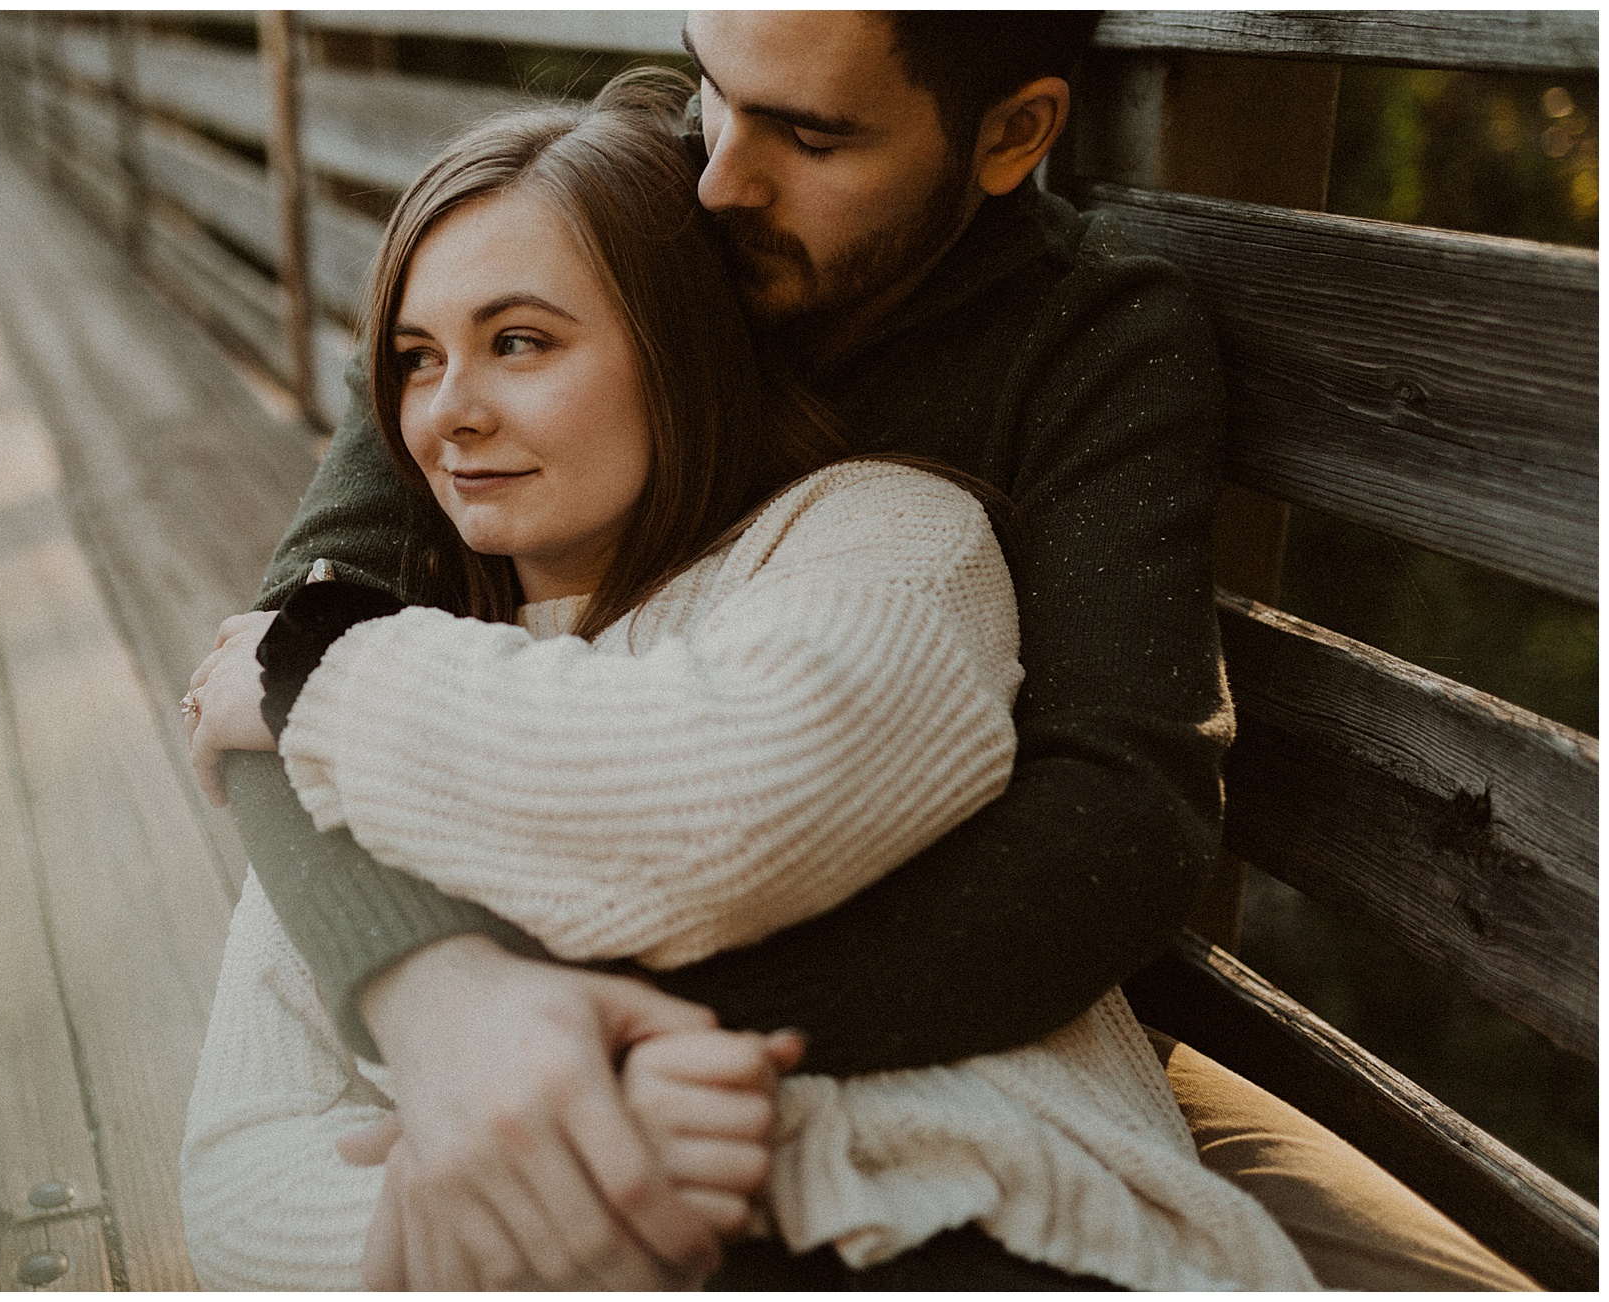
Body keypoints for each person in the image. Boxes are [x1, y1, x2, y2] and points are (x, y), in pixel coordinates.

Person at [194, 11, 1535, 1292]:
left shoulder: (1077, 351)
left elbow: (1112, 832)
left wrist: (646, 1047)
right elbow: (287, 656)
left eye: (811, 136)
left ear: (1012, 137)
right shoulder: (620, 209)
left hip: (967, 1044)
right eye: (707, 81)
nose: (717, 176)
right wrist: (448, 1014)